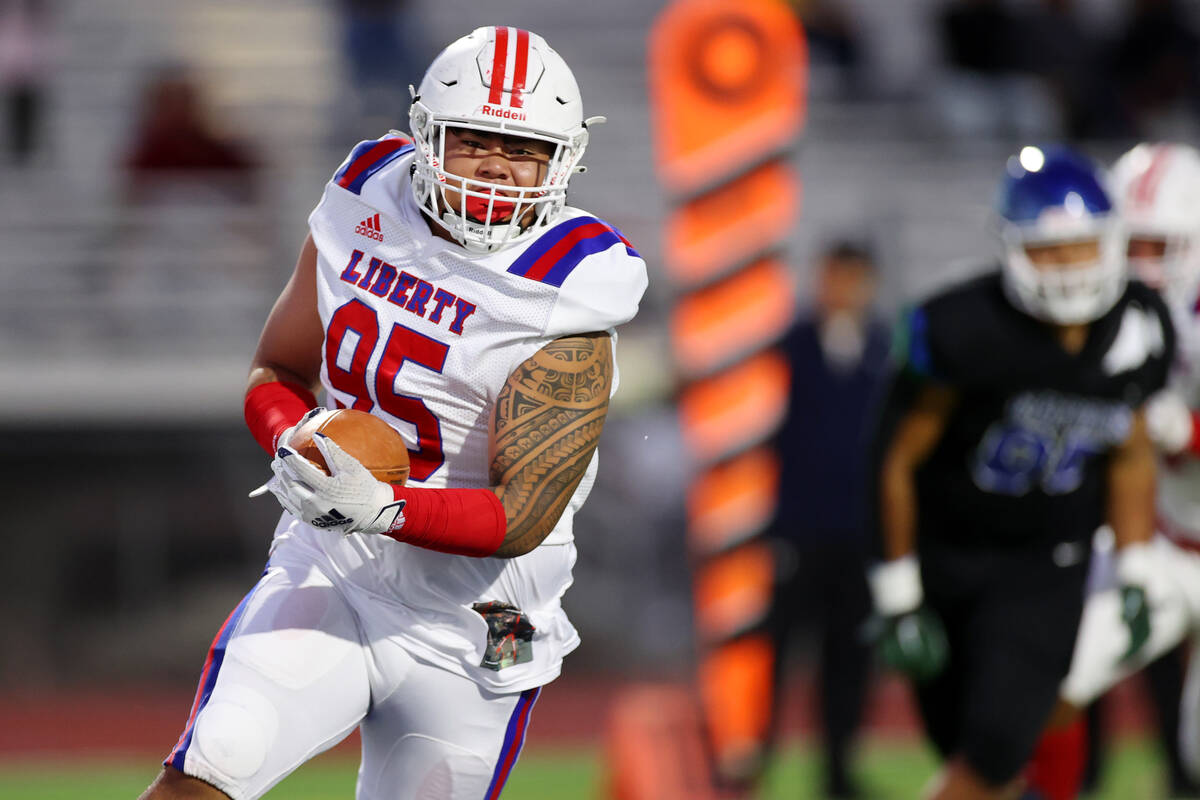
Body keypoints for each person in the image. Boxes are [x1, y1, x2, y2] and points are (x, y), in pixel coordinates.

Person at [136, 26, 647, 800]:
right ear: (426, 134)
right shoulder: (366, 192)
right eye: (476, 138)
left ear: (564, 160)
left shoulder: (571, 285)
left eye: (527, 150)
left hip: (477, 623)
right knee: (205, 777)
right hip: (335, 570)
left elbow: (523, 514)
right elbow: (277, 369)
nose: (501, 167)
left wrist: (381, 506)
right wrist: (296, 441)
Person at [867, 145, 1172, 800]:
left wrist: (1137, 564)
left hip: (1047, 562)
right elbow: (896, 459)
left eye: (1084, 248)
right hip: (949, 554)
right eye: (1049, 251)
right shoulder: (964, 328)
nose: (1069, 269)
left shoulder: (1139, 327)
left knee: (998, 748)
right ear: (1011, 248)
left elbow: (1132, 450)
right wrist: (896, 585)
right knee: (962, 747)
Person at [1029, 142, 1200, 800]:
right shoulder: (1107, 318)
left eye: (1157, 246)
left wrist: (1184, 432)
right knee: (1054, 677)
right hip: (1157, 540)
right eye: (1130, 244)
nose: (1139, 264)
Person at [766, 241, 890, 798]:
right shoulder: (787, 346)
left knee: (850, 661)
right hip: (796, 531)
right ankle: (752, 762)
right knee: (776, 654)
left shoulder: (888, 350)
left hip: (860, 534)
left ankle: (839, 771)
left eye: (851, 278)